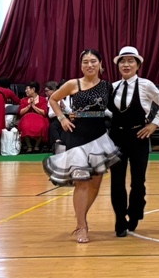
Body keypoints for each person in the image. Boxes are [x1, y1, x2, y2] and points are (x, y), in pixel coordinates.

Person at [49, 50, 115, 243]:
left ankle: (81, 217)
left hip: (99, 137)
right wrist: (62, 118)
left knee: (95, 183)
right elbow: (53, 99)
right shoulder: (73, 84)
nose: (89, 65)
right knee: (82, 182)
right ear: (81, 65)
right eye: (85, 62)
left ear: (100, 64)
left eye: (93, 61)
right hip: (77, 136)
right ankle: (81, 226)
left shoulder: (107, 86)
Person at [105, 46, 159, 237]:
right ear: (118, 65)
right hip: (116, 138)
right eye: (122, 61)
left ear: (138, 65)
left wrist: (154, 124)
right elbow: (107, 110)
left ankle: (134, 213)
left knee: (138, 181)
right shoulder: (112, 87)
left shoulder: (146, 85)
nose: (126, 65)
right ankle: (120, 219)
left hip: (138, 137)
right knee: (117, 181)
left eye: (130, 61)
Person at [17, 83, 51, 152]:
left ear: (33, 89)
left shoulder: (43, 99)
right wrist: (29, 106)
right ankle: (29, 146)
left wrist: (34, 106)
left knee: (42, 125)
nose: (25, 91)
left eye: (27, 89)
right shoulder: (24, 100)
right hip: (27, 118)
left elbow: (44, 113)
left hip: (39, 118)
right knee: (25, 126)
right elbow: (20, 112)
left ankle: (37, 145)